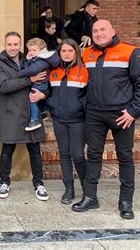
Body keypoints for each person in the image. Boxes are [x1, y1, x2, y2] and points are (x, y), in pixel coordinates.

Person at [72, 20, 139, 219]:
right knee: (93, 155)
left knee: (125, 157)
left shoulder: (130, 52)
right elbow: (82, 82)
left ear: (113, 31)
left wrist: (134, 111)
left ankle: (126, 202)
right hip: (94, 114)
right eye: (95, 31)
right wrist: (85, 103)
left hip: (122, 115)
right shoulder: (87, 53)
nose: (99, 33)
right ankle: (90, 197)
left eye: (103, 29)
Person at [0, 32, 49, 201]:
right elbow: (4, 86)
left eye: (16, 44)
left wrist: (43, 95)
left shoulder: (31, 59)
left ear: (20, 45)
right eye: (9, 44)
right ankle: (4, 182)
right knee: (7, 149)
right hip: (11, 112)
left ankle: (39, 184)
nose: (12, 47)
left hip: (31, 112)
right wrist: (29, 80)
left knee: (35, 150)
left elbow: (45, 83)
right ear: (5, 45)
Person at [46, 39, 87, 205]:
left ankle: (87, 189)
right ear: (59, 53)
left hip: (78, 120)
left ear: (76, 52)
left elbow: (89, 94)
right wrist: (51, 105)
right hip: (59, 119)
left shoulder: (84, 70)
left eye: (71, 50)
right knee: (64, 154)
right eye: (64, 51)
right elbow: (47, 91)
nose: (67, 54)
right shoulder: (53, 70)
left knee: (77, 154)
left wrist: (79, 106)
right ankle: (69, 188)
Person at [17, 38, 60, 131]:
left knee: (32, 100)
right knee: (35, 100)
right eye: (29, 50)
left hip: (39, 84)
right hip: (39, 83)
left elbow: (32, 70)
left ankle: (35, 120)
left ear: (41, 50)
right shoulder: (37, 58)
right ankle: (42, 113)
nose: (31, 52)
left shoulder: (42, 60)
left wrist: (19, 73)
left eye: (34, 50)